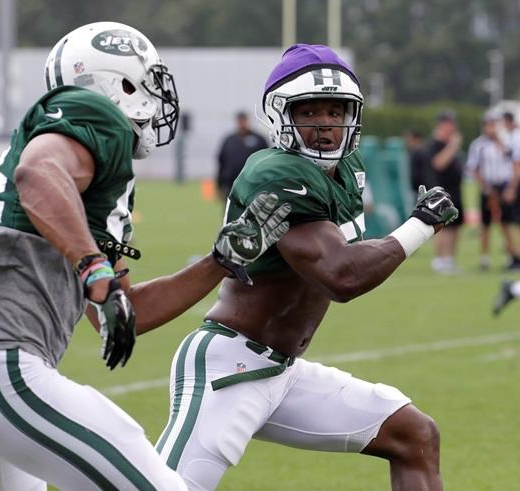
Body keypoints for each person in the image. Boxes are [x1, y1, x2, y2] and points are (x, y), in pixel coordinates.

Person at [0, 21, 290, 491]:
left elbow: (127, 308)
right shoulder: (95, 115)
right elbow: (37, 173)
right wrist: (93, 269)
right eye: (148, 80)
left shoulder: (94, 162)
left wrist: (218, 262)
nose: (158, 96)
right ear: (118, 83)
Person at [155, 44, 457, 491]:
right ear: (281, 115)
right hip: (230, 367)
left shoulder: (346, 170)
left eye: (335, 112)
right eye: (309, 112)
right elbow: (342, 276)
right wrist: (420, 226)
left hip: (283, 369)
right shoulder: (277, 173)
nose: (325, 124)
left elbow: (348, 254)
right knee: (162, 487)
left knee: (414, 434)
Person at [466, 113, 520, 271]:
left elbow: (514, 161)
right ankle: (484, 257)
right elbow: (473, 167)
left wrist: (510, 187)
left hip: (503, 185)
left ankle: (511, 255)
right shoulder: (478, 145)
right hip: (488, 186)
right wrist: (485, 186)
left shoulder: (506, 142)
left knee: (506, 222)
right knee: (485, 224)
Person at [423, 111, 465, 274]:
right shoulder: (435, 144)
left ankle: (449, 259)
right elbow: (438, 163)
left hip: (456, 190)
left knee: (455, 226)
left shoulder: (449, 144)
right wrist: (452, 146)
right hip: (441, 192)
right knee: (444, 226)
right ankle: (439, 260)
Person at [216, 111, 268, 202]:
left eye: (243, 120)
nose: (241, 123)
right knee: (231, 208)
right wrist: (219, 185)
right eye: (239, 121)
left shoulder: (259, 139)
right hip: (231, 184)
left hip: (252, 184)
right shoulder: (229, 140)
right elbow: (221, 162)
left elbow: (267, 161)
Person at [500, 111, 520, 269]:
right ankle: (515, 254)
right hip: (512, 182)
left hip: (516, 183)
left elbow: (517, 163)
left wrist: (512, 188)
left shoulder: (517, 136)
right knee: (507, 220)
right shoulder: (511, 136)